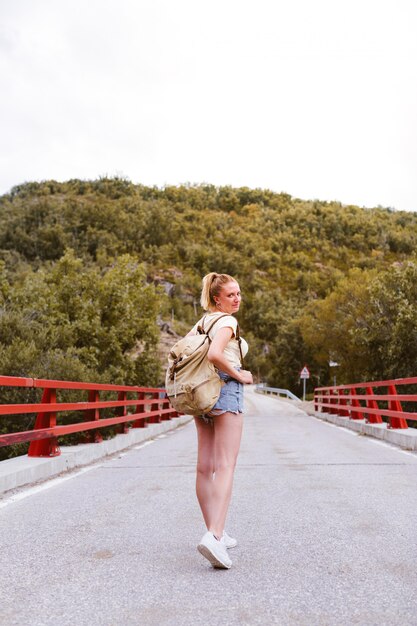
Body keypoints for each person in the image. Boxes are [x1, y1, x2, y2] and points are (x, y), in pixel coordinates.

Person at [187, 272, 253, 569]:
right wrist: (240, 374)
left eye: (239, 294)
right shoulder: (227, 322)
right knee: (226, 465)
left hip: (201, 393)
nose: (237, 299)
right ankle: (214, 535)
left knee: (205, 467)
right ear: (217, 299)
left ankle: (217, 532)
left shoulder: (201, 323)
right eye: (231, 295)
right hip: (225, 390)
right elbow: (215, 354)